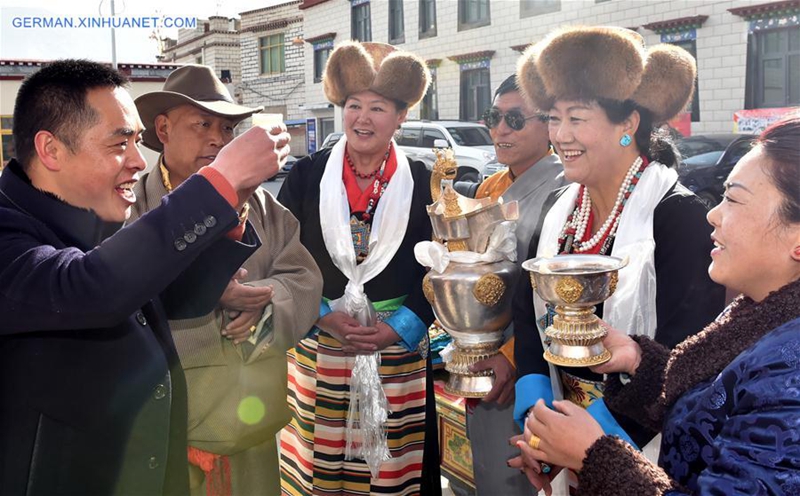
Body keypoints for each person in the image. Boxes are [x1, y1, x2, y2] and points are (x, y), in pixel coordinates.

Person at [0, 60, 290, 495]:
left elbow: (158, 295)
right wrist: (220, 181)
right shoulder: (9, 231)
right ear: (51, 149)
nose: (138, 161)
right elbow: (90, 290)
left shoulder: (92, 217)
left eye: (137, 141)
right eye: (120, 144)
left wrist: (232, 208)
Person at [521, 114, 800, 495]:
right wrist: (640, 363)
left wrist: (594, 454)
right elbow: (714, 407)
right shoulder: (762, 311)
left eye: (733, 199)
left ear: (627, 123)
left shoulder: (791, 375)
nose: (713, 214)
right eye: (554, 117)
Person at [510, 27, 726, 492]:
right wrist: (539, 423)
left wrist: (586, 442)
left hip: (642, 446)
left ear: (627, 123)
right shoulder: (557, 209)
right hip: (559, 428)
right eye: (553, 118)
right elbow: (528, 323)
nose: (560, 136)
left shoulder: (678, 217)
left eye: (577, 118)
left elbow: (685, 357)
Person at [129, 64, 323, 496]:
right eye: (202, 124)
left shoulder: (264, 208)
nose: (218, 138)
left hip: (249, 425)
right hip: (167, 432)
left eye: (227, 127)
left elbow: (304, 278)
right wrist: (204, 294)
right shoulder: (134, 209)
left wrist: (265, 304)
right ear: (163, 129)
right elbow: (119, 300)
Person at [277, 41, 440, 496]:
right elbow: (280, 256)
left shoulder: (425, 180)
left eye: (378, 107)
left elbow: (442, 267)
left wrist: (399, 326)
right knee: (318, 464)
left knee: (389, 473)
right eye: (353, 106)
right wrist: (322, 314)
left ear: (401, 116)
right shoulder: (307, 175)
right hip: (321, 345)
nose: (362, 118)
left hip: (397, 354)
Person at [462, 74, 566, 496]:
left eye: (515, 119)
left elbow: (555, 294)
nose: (500, 129)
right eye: (494, 117)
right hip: (481, 351)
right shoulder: (492, 185)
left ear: (550, 125)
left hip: (528, 361)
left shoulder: (564, 189)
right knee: (489, 472)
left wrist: (511, 355)